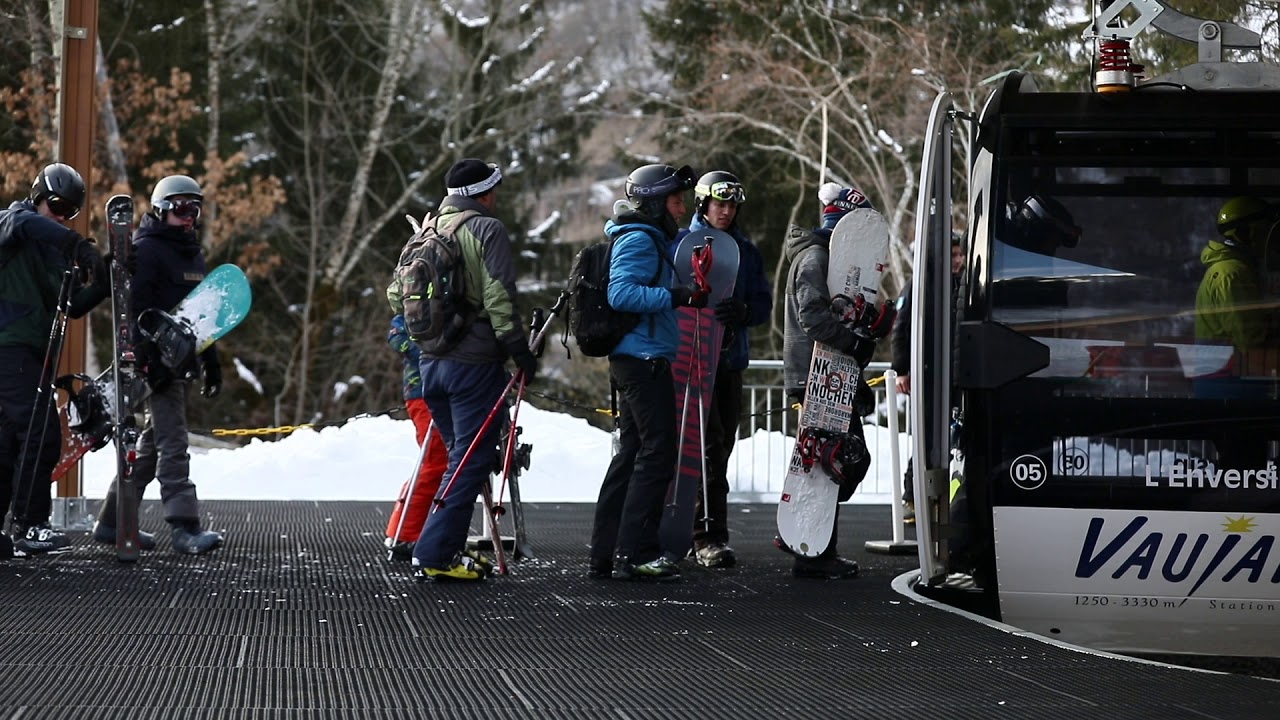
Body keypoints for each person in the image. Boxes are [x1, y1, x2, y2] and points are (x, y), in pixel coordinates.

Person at [388, 158, 537, 583]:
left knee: (459, 458)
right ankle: (435, 552)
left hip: (430, 364)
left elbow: (395, 296)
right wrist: (516, 346)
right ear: (486, 193)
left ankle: (442, 546)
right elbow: (498, 292)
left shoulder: (428, 231)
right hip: (473, 365)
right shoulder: (486, 229)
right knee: (470, 461)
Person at [94, 174, 225, 555]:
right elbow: (133, 311)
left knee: (152, 444)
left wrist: (211, 364)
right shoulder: (147, 250)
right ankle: (184, 526)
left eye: (195, 209)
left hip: (182, 361)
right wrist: (146, 359)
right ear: (162, 209)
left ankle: (112, 521)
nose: (189, 217)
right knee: (174, 442)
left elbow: (202, 317)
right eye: (181, 208)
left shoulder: (192, 253)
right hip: (156, 364)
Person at [588, 162, 704, 581]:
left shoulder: (643, 236)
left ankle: (608, 552)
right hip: (642, 359)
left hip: (638, 357)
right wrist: (675, 296)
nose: (680, 210)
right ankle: (636, 551)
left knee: (633, 454)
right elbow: (621, 293)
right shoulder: (639, 238)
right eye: (675, 201)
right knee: (657, 454)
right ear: (655, 202)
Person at [778, 181, 888, 579]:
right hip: (816, 376)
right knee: (833, 463)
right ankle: (810, 551)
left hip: (830, 374)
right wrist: (855, 348)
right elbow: (814, 319)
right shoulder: (814, 258)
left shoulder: (825, 258)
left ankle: (815, 546)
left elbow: (837, 319)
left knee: (837, 463)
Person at [0, 163, 110, 558]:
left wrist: (104, 281)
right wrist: (78, 245)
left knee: (9, 441)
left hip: (29, 354)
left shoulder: (50, 253)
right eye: (57, 205)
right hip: (9, 348)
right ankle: (30, 525)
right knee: (40, 433)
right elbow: (29, 224)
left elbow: (71, 306)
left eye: (71, 212)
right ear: (38, 197)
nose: (62, 216)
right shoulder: (14, 222)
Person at [672, 171, 771, 568]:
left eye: (732, 206)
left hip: (728, 363)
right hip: (688, 364)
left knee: (719, 450)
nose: (726, 212)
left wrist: (745, 312)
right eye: (719, 204)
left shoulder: (746, 250)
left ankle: (710, 533)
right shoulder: (680, 244)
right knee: (694, 450)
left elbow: (762, 303)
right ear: (703, 205)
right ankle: (696, 534)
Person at [891, 230, 965, 524]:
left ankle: (943, 498)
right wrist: (901, 370)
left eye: (960, 255)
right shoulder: (920, 285)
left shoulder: (963, 285)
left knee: (952, 438)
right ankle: (913, 496)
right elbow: (901, 327)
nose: (958, 261)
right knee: (926, 437)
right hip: (928, 373)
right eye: (953, 256)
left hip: (956, 375)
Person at [383, 313, 449, 559]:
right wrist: (430, 356)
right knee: (435, 462)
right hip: (424, 391)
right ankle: (405, 534)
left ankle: (412, 529)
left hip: (443, 389)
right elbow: (397, 336)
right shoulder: (416, 303)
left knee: (438, 463)